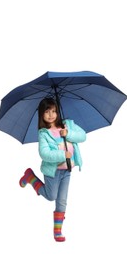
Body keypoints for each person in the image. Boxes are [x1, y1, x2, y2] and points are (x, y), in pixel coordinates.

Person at [18, 98, 86, 242]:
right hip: (53, 171)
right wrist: (62, 154)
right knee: (51, 196)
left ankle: (58, 231)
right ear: (41, 115)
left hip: (67, 171)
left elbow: (83, 136)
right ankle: (31, 177)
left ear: (58, 111)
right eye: (47, 111)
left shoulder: (68, 125)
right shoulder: (43, 133)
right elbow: (44, 154)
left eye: (54, 111)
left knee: (62, 201)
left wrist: (68, 134)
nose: (51, 115)